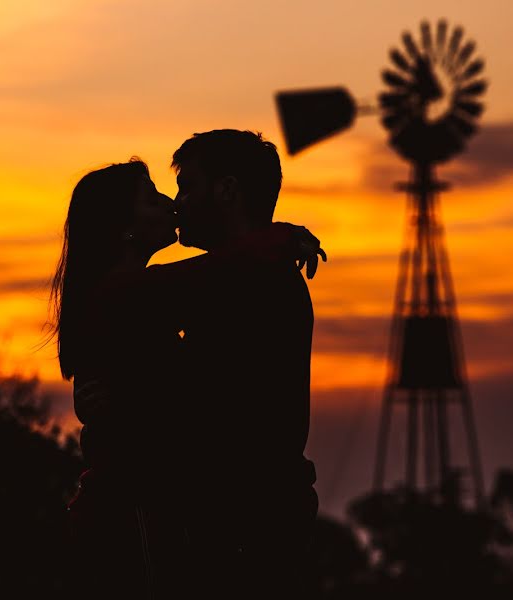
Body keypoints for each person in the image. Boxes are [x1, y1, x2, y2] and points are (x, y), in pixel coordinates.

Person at [48, 157, 324, 598]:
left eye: (179, 190)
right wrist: (281, 235)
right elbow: (216, 272)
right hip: (135, 519)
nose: (171, 204)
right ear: (125, 227)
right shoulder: (129, 294)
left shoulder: (136, 295)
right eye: (153, 196)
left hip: (141, 518)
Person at [172, 129, 320, 599]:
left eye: (188, 187)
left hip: (240, 534)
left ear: (228, 190)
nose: (178, 203)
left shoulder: (244, 285)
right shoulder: (255, 275)